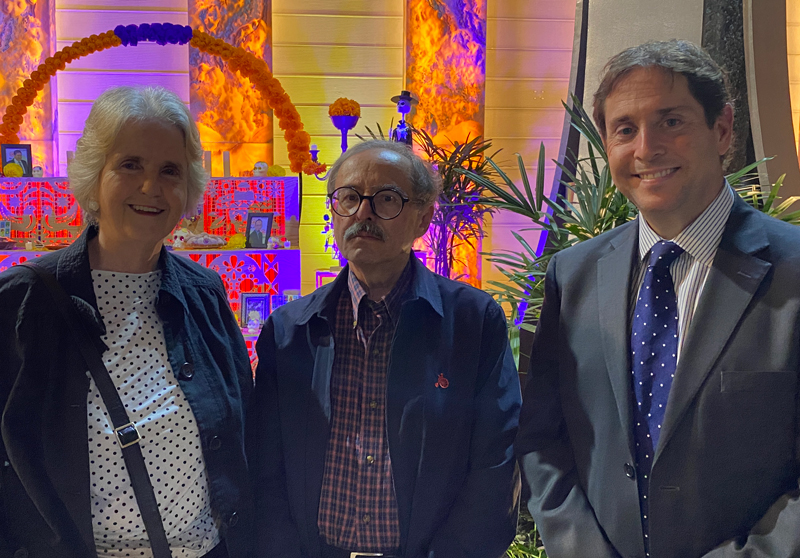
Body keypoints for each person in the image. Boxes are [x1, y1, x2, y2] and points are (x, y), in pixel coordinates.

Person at [516, 39, 800, 558]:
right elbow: (542, 439)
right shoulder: (572, 275)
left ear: (722, 129)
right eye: (625, 129)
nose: (646, 148)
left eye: (671, 121)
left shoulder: (794, 273)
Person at [0, 86, 253, 557]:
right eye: (130, 164)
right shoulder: (21, 302)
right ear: (94, 176)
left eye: (170, 170)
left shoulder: (205, 294)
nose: (150, 187)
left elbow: (243, 436)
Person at [247, 140, 521, 558]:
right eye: (349, 197)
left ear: (422, 218)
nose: (363, 213)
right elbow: (266, 467)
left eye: (387, 199)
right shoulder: (289, 331)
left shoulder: (474, 322)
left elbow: (495, 463)